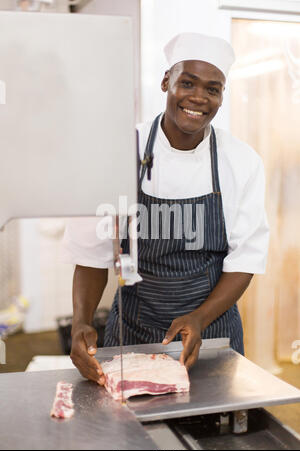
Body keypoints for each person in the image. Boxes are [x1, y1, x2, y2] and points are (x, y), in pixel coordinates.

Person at [63, 33, 269, 385]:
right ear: (165, 82)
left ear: (221, 97)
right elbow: (91, 255)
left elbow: (245, 259)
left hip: (211, 330)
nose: (198, 98)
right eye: (187, 83)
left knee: (213, 431)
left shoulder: (241, 161)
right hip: (133, 327)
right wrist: (81, 322)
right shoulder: (118, 152)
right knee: (125, 433)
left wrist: (200, 318)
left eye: (212, 89)